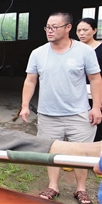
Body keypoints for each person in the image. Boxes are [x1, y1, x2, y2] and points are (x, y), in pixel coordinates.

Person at [20, 12, 102, 204]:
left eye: (55, 27)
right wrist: (25, 105)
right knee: (51, 151)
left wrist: (96, 107)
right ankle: (53, 186)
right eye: (47, 27)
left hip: (79, 114)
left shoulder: (84, 51)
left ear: (68, 28)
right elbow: (30, 80)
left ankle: (80, 189)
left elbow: (96, 79)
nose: (50, 31)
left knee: (81, 153)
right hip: (48, 114)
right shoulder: (38, 53)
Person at [77, 18, 102, 142]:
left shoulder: (100, 48)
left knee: (97, 121)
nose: (82, 33)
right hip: (79, 92)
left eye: (85, 30)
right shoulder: (74, 49)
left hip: (97, 91)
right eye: (79, 30)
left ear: (94, 31)